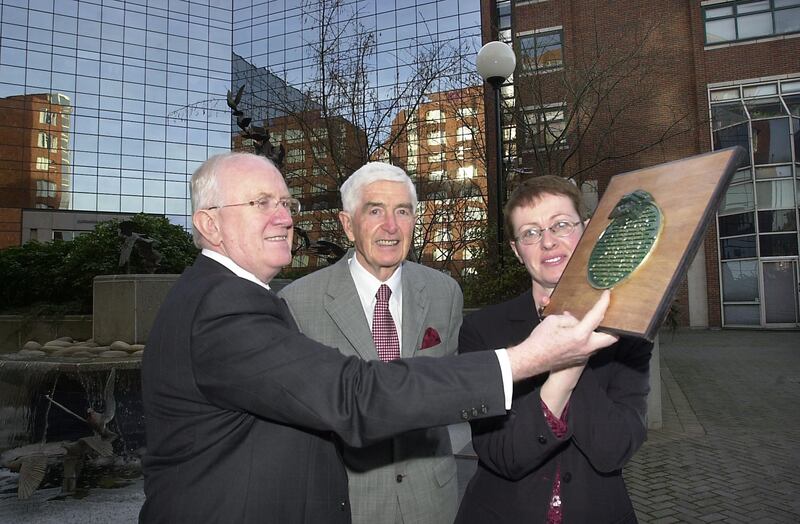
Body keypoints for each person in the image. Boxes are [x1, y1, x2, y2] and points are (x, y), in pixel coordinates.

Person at [139, 153, 617, 523]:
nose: (284, 217)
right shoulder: (226, 305)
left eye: (287, 203)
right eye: (261, 203)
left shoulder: (442, 293)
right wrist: (523, 359)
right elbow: (354, 394)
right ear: (209, 223)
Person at [455, 175, 654, 524]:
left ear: (589, 232)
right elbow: (503, 454)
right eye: (530, 233)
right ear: (517, 251)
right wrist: (567, 359)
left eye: (561, 225)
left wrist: (576, 332)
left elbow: (615, 449)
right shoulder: (481, 331)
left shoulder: (629, 332)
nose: (548, 242)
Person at [279, 162, 463, 524]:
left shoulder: (446, 293)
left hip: (432, 501)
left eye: (402, 211)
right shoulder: (297, 303)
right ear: (348, 224)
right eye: (374, 210)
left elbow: (450, 394)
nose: (390, 226)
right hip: (347, 504)